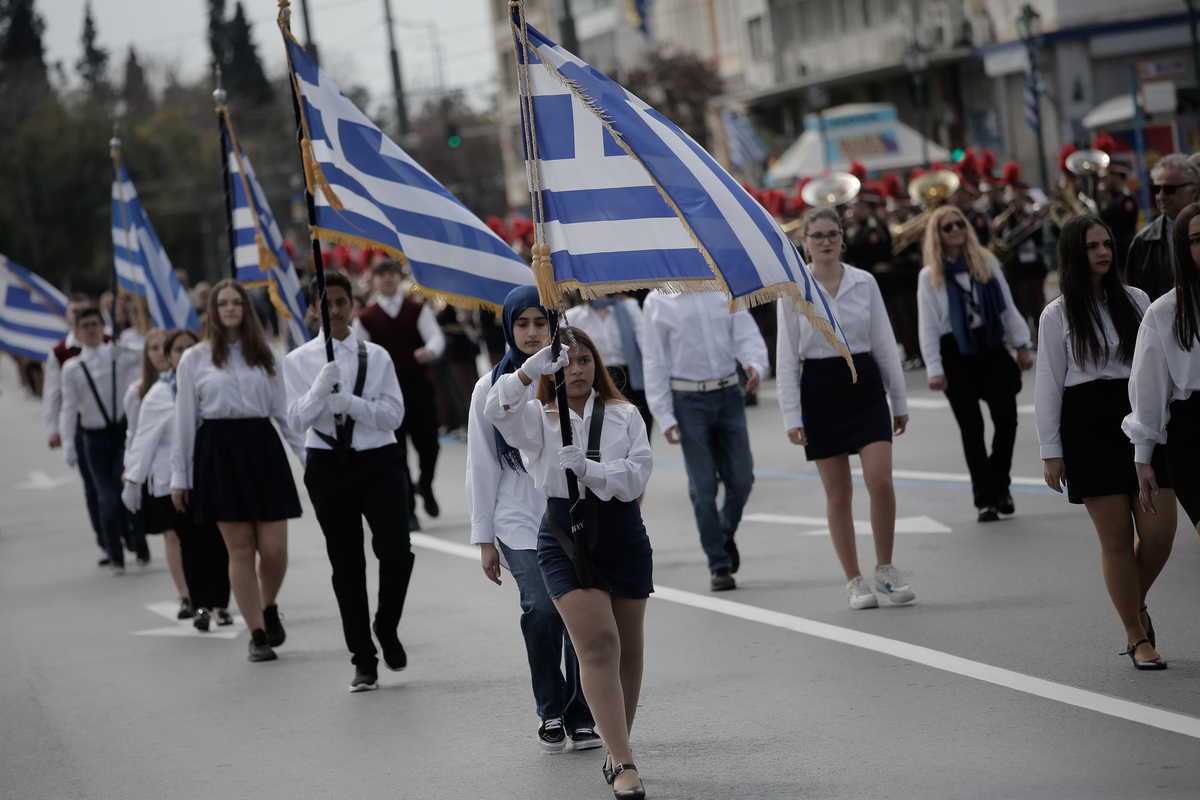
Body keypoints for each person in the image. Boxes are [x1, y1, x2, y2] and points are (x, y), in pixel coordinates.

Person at [485, 329, 653, 799]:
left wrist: (592, 469)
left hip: (622, 533)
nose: (576, 369)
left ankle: (614, 744)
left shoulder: (624, 413)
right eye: (566, 362)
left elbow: (639, 470)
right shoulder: (537, 416)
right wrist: (529, 368)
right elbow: (495, 411)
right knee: (598, 644)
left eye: (584, 360)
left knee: (629, 651)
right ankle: (623, 762)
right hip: (562, 534)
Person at [1037, 215, 1174, 671]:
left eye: (1108, 244)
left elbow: (1157, 362)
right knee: (1116, 538)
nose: (1103, 252)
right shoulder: (1056, 313)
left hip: (1139, 415)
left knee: (1159, 531)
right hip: (1087, 425)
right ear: (1075, 254)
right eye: (1093, 246)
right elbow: (1047, 385)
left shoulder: (1137, 300)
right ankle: (1137, 634)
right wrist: (1051, 450)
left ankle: (1133, 602)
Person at [467, 287, 598, 752]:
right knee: (542, 610)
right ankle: (550, 709)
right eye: (521, 324)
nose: (531, 332)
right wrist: (484, 538)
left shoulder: (572, 374)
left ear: (553, 325)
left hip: (572, 514)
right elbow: (481, 466)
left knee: (582, 616)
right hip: (518, 521)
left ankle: (584, 712)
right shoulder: (492, 387)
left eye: (539, 323)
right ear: (508, 328)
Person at [777, 207, 915, 610]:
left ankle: (885, 568)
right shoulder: (793, 289)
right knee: (838, 494)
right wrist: (791, 416)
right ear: (804, 241)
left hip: (865, 383)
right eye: (816, 235)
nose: (825, 241)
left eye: (832, 234)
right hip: (819, 387)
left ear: (842, 237)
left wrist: (899, 400)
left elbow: (886, 343)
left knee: (881, 480)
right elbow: (786, 359)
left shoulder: (864, 282)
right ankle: (854, 580)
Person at [284, 273, 415, 692]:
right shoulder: (298, 360)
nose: (334, 311)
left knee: (396, 550)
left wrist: (353, 404)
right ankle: (363, 658)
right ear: (311, 310)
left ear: (352, 305)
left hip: (379, 459)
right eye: (325, 304)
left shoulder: (376, 356)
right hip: (327, 463)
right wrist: (319, 390)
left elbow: (394, 415)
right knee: (346, 564)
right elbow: (295, 419)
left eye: (341, 302)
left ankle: (386, 623)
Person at [171, 279, 307, 663]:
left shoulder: (268, 353)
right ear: (212, 311)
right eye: (222, 303)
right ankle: (258, 634)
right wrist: (180, 477)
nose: (230, 309)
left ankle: (269, 605)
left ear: (246, 308)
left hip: (262, 447)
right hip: (218, 452)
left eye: (236, 302)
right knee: (241, 548)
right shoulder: (194, 358)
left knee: (275, 549)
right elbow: (184, 422)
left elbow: (285, 413)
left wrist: (308, 458)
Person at [641, 290, 768, 592]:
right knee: (703, 486)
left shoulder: (720, 285)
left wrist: (755, 365)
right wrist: (664, 414)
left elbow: (745, 332)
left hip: (729, 395)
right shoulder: (657, 300)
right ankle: (718, 562)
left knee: (742, 479)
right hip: (688, 401)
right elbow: (654, 359)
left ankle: (723, 533)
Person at [918, 205, 1034, 522]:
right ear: (937, 235)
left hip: (990, 344)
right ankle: (985, 499)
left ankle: (1000, 484)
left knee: (1007, 420)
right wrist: (935, 369)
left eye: (959, 224)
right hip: (954, 352)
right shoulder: (930, 276)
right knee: (972, 430)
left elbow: (1007, 307)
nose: (956, 230)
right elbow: (927, 325)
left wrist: (1021, 345)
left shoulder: (986, 262)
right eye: (948, 227)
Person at [123, 328, 232, 631]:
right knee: (193, 544)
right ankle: (200, 605)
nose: (184, 354)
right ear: (168, 358)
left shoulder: (211, 384)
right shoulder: (158, 394)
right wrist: (133, 480)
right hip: (172, 484)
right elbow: (142, 440)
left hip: (211, 478)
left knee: (221, 543)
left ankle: (222, 605)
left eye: (190, 347)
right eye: (177, 350)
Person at [1126, 201, 1200, 553]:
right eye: (1197, 239)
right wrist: (1143, 457)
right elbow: (1149, 388)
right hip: (1192, 433)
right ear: (1183, 250)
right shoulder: (1163, 311)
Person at [353, 260, 446, 530]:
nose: (387, 280)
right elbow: (361, 353)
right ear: (374, 280)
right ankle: (409, 508)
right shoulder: (366, 317)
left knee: (430, 445)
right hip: (387, 394)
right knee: (398, 452)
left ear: (398, 277)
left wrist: (430, 350)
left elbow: (436, 338)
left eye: (391, 274)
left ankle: (425, 485)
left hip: (418, 386)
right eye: (381, 275)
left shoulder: (416, 309)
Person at [59, 306, 145, 572]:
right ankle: (114, 551)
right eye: (86, 326)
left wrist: (125, 350)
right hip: (94, 437)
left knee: (126, 483)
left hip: (121, 432)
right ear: (77, 332)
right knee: (105, 498)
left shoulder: (117, 355)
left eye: (96, 324)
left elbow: (150, 357)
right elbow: (69, 407)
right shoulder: (73, 368)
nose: (92, 330)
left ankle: (138, 540)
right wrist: (68, 443)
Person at [124, 330, 195, 607]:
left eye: (160, 347)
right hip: (161, 475)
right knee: (173, 534)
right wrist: (132, 474)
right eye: (151, 348)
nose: (157, 353)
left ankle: (208, 595)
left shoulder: (192, 382)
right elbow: (136, 435)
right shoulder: (140, 391)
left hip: (192, 473)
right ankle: (185, 593)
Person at [43, 293, 109, 563]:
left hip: (114, 423)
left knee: (117, 483)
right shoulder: (61, 352)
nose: (79, 316)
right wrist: (54, 429)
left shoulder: (109, 344)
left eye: (85, 310)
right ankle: (105, 541)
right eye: (74, 311)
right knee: (94, 487)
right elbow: (54, 393)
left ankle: (126, 533)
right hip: (84, 426)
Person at [566, 295, 651, 432]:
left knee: (640, 431)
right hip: (598, 378)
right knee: (609, 432)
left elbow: (647, 346)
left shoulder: (630, 306)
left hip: (633, 377)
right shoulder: (573, 316)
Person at [1127, 154, 1200, 301]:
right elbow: (1135, 300)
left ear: (1193, 190)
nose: (1161, 196)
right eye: (1156, 189)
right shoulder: (1143, 241)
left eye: (1169, 189)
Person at [1097, 162, 1139, 276]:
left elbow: (1125, 228)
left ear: (1117, 177)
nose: (1104, 180)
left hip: (1123, 252)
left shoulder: (1125, 199)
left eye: (1107, 176)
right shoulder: (1108, 198)